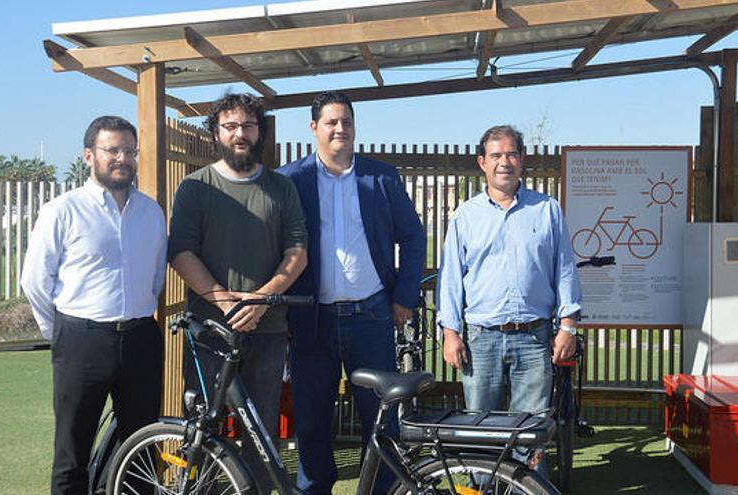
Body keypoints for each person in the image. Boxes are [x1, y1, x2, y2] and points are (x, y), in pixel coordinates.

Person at [278, 90, 426, 495]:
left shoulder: (380, 177)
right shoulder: (291, 180)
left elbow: (413, 237)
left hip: (372, 317)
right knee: (311, 421)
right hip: (313, 320)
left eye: (346, 121)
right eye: (331, 122)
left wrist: (404, 297)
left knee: (382, 421)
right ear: (314, 128)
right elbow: (278, 246)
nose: (340, 128)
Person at [167, 92, 308, 493]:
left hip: (267, 330)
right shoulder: (195, 188)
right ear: (216, 132)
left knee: (262, 433)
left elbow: (298, 252)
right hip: (210, 332)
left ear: (259, 131)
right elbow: (180, 251)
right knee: (204, 429)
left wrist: (262, 299)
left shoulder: (282, 189)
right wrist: (223, 299)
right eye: (230, 126)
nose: (240, 134)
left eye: (248, 126)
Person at [21, 116, 166, 495]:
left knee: (142, 449)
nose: (123, 158)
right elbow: (35, 280)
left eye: (129, 150)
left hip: (140, 339)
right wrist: (63, 335)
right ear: (89, 155)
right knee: (73, 454)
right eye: (112, 150)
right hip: (81, 341)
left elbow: (155, 277)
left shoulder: (151, 212)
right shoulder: (62, 211)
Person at [437, 124, 582, 466]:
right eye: (496, 155)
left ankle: (528, 488)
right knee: (479, 428)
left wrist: (568, 326)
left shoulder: (546, 210)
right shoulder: (465, 216)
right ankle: (483, 489)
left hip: (534, 337)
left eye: (511, 154)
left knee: (531, 430)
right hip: (480, 339)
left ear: (522, 160)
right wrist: (450, 333)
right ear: (482, 163)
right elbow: (451, 279)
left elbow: (564, 268)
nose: (504, 162)